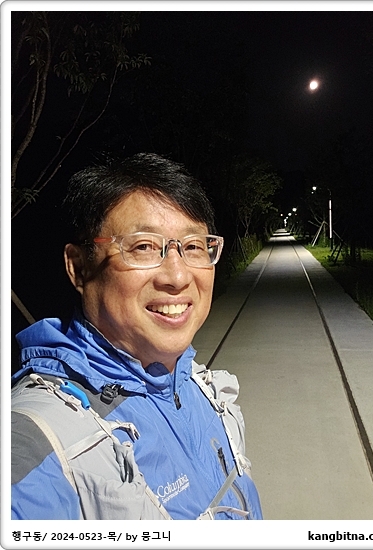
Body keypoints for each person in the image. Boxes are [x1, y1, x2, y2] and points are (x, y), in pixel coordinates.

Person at [11, 153, 263, 520]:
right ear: (78, 267)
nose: (178, 277)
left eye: (194, 246)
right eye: (143, 246)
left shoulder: (198, 386)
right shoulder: (37, 442)